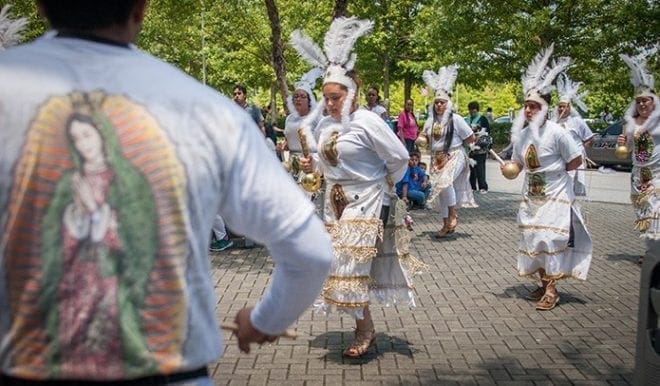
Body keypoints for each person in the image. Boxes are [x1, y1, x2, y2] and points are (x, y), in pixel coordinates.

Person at [0, 1, 333, 384]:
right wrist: (265, 320)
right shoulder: (207, 110)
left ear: (40, 5)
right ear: (141, 7)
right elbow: (311, 251)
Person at [291, 17, 425, 358]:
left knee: (351, 266)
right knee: (339, 265)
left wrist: (384, 187)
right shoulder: (324, 126)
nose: (330, 104)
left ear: (350, 94)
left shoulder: (368, 120)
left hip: (365, 201)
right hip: (333, 202)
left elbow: (397, 157)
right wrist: (313, 166)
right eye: (326, 98)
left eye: (335, 98)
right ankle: (363, 326)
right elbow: (327, 162)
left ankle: (364, 330)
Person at [501, 45, 592, 311]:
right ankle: (543, 283)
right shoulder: (522, 134)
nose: (528, 111)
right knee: (533, 238)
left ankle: (552, 290)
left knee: (551, 239)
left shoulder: (557, 132)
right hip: (532, 195)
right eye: (526, 106)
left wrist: (556, 177)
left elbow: (575, 160)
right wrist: (511, 168)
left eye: (534, 106)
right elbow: (519, 162)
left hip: (555, 194)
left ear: (544, 108)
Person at [417, 65, 477, 238]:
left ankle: (452, 214)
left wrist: (461, 145)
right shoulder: (430, 121)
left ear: (448, 104)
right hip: (436, 158)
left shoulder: (456, 119)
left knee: (445, 182)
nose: (438, 105)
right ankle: (445, 224)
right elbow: (424, 136)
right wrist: (421, 139)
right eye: (436, 103)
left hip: (454, 154)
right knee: (440, 190)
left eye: (442, 102)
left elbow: (470, 138)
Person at [617, 52, 660, 262]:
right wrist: (622, 144)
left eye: (647, 101)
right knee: (643, 213)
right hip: (638, 176)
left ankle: (655, 252)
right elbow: (628, 150)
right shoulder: (630, 125)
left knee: (655, 212)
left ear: (654, 102)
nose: (643, 105)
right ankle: (650, 250)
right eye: (639, 102)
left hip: (657, 176)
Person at [552, 72, 595, 196]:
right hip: (560, 158)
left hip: (575, 158)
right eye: (559, 107)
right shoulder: (554, 122)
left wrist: (581, 149)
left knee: (573, 188)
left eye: (564, 107)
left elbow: (589, 138)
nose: (561, 109)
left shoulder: (577, 121)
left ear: (569, 108)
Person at [281, 67, 322, 184]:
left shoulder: (317, 119)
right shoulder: (289, 118)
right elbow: (288, 140)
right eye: (296, 96)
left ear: (310, 101)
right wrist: (284, 146)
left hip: (310, 164)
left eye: (302, 97)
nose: (298, 99)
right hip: (291, 165)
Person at [465, 100, 491, 193]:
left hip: (480, 149)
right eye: (471, 111)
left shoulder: (482, 119)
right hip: (469, 149)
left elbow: (487, 132)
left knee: (480, 169)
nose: (472, 113)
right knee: (471, 169)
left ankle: (483, 187)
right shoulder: (466, 119)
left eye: (474, 112)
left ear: (477, 110)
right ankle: (472, 187)